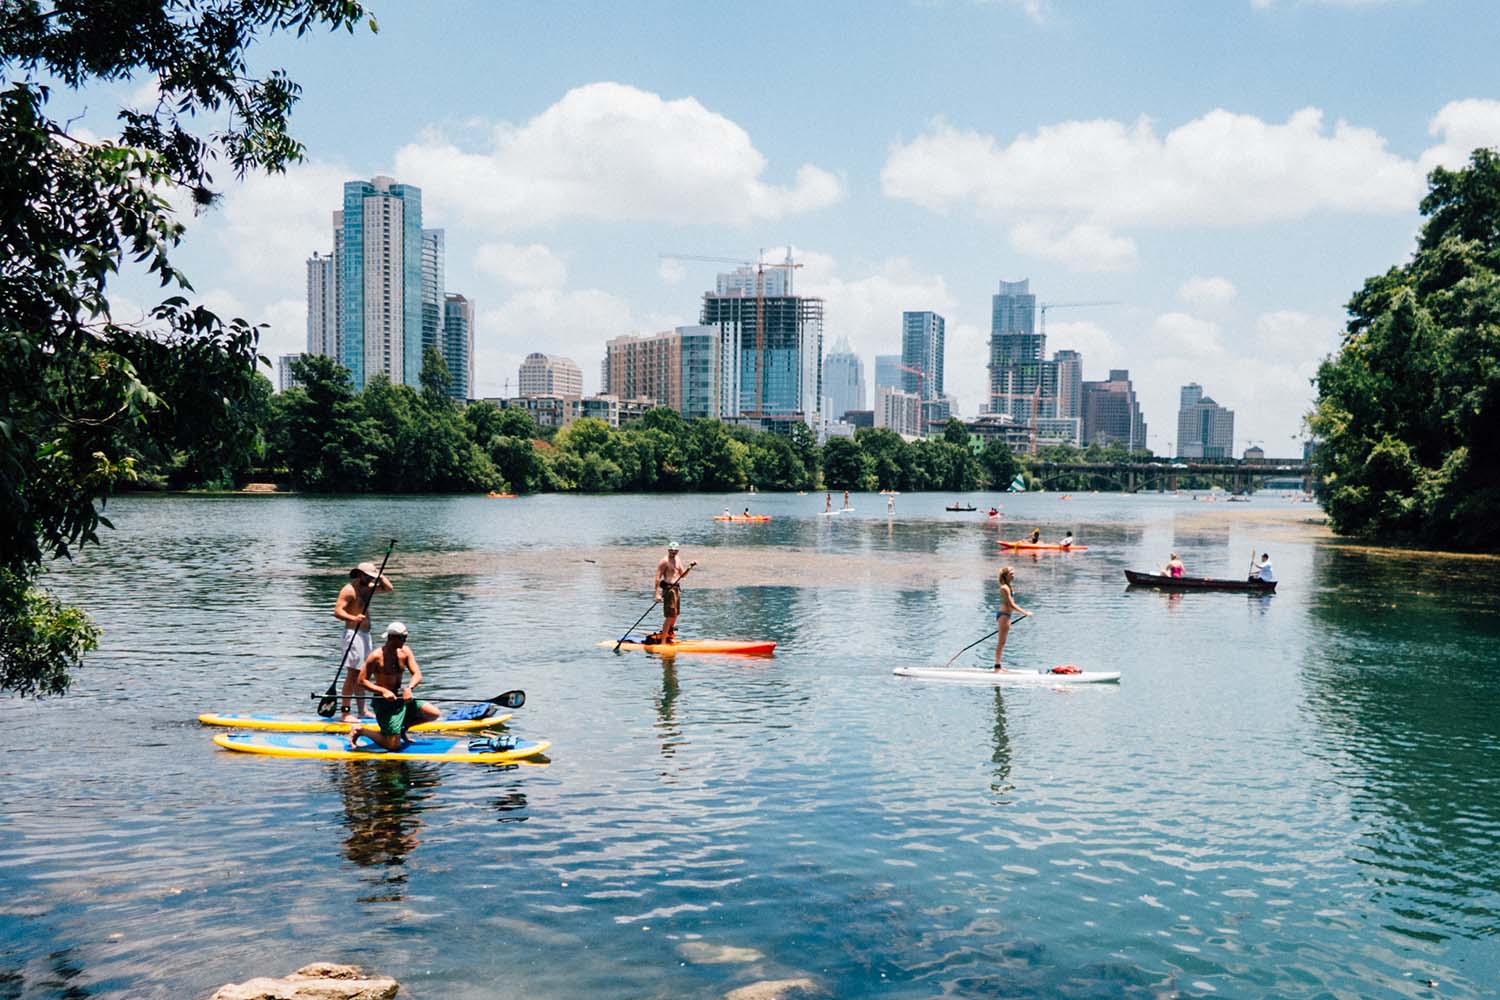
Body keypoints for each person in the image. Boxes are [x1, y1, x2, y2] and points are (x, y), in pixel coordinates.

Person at [348, 622, 440, 751]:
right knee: (393, 746)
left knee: (433, 713)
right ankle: (360, 730)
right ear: (391, 638)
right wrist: (383, 691)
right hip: (384, 702)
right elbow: (361, 681)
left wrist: (409, 688)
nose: (405, 640)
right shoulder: (376, 656)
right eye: (402, 638)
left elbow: (417, 674)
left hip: (401, 698)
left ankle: (401, 730)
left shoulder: (405, 651)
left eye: (406, 637)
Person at [333, 560, 394, 723]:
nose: (370, 580)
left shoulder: (369, 588)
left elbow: (389, 588)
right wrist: (353, 617)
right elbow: (337, 611)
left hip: (365, 634)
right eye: (368, 577)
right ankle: (345, 713)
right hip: (353, 634)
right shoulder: (349, 590)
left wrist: (380, 576)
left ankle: (362, 710)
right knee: (352, 674)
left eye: (371, 577)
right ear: (359, 574)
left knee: (363, 674)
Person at [652, 542, 696, 642]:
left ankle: (669, 633)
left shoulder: (677, 559)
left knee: (676, 613)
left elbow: (682, 575)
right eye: (671, 550)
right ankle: (663, 641)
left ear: (678, 551)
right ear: (668, 550)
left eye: (675, 551)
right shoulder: (664, 561)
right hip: (668, 589)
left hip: (676, 588)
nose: (673, 552)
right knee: (670, 615)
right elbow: (657, 577)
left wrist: (690, 567)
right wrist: (657, 594)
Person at [993, 566, 1032, 671]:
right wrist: (1025, 613)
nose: (1013, 575)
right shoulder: (1004, 588)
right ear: (1006, 575)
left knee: (1003, 642)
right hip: (1003, 616)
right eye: (1011, 573)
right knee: (1001, 642)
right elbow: (1011, 605)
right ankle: (997, 667)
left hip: (1007, 616)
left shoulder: (1009, 586)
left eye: (1013, 573)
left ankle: (999, 665)